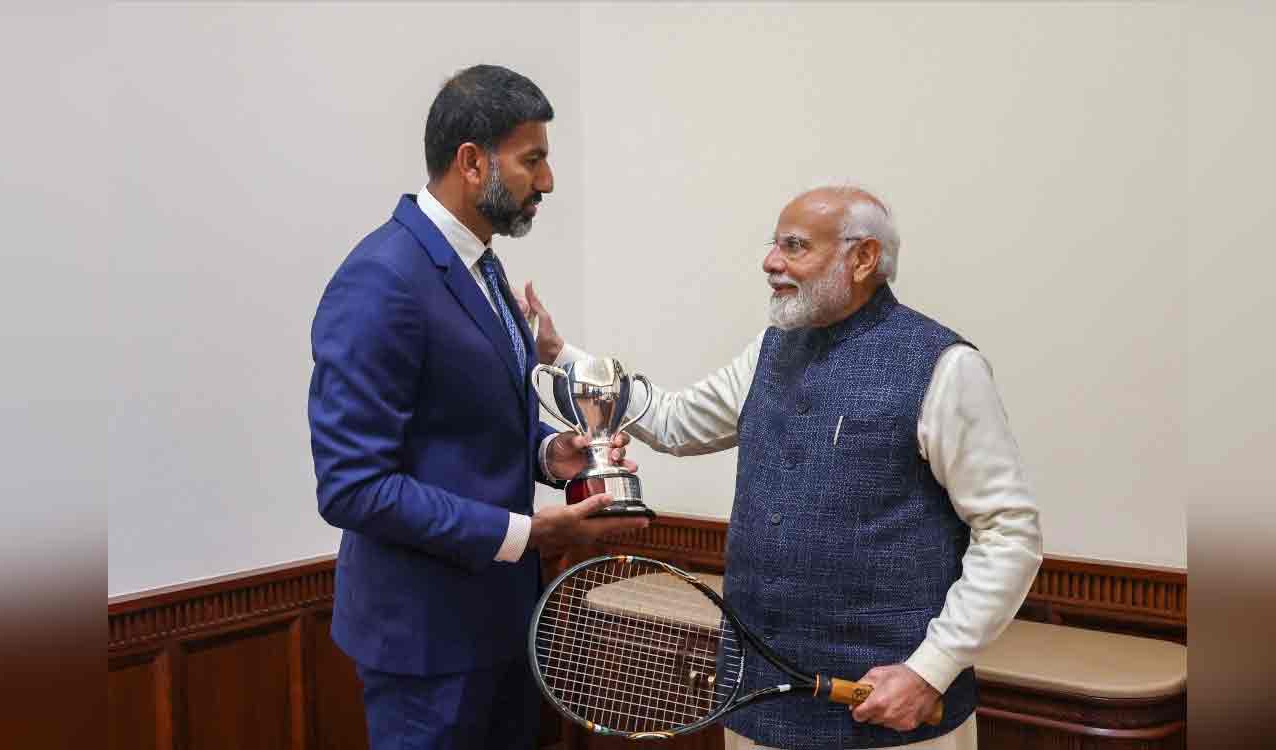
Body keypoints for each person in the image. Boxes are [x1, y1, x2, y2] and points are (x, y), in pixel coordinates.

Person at [527, 186, 1043, 750]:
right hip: (755, 711)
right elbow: (676, 422)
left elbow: (1009, 534)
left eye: (794, 246)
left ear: (863, 258)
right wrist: (563, 359)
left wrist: (930, 669)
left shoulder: (945, 366)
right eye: (774, 244)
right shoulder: (769, 349)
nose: (770, 261)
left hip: (891, 718)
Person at [307, 64, 648, 750]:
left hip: (503, 625)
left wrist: (552, 455)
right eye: (533, 160)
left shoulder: (484, 266)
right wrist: (528, 536)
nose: (546, 182)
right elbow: (352, 487)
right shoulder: (382, 279)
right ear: (471, 162)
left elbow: (466, 421)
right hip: (425, 646)